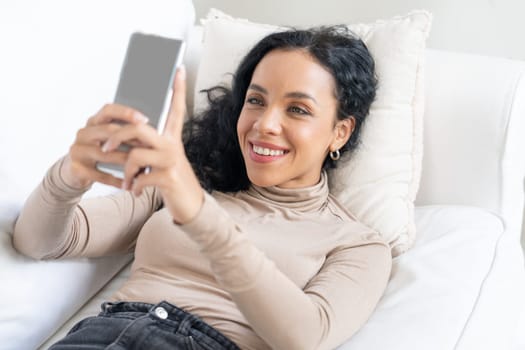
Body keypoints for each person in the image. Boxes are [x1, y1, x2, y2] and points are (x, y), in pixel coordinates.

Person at [13, 25, 392, 350]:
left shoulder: (357, 243)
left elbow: (304, 337)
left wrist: (199, 216)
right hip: (98, 336)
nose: (264, 125)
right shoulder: (186, 181)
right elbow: (39, 242)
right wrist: (70, 177)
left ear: (340, 131)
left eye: (297, 109)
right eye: (256, 101)